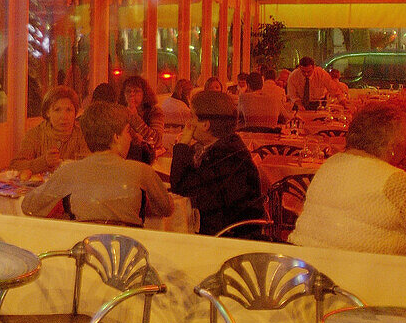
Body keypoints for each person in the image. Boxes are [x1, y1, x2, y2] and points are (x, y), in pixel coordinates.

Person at [289, 101, 406, 255]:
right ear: (392, 146)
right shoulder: (394, 180)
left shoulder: (330, 164)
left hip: (307, 266)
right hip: (358, 278)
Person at [22, 102, 173, 225]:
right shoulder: (142, 171)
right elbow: (167, 209)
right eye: (127, 132)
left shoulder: (68, 172)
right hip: (126, 255)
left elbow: (29, 206)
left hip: (83, 253)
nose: (131, 138)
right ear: (116, 137)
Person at [170, 91, 266, 237]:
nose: (188, 123)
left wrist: (182, 144)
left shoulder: (226, 156)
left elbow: (181, 187)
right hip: (223, 230)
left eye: (192, 117)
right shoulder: (227, 145)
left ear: (205, 124)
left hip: (231, 238)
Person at [9, 86, 87, 174]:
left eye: (69, 110)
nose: (64, 116)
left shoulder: (81, 135)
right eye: (57, 110)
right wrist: (43, 162)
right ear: (47, 112)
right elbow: (15, 166)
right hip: (40, 187)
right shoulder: (36, 134)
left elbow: (90, 166)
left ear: (75, 113)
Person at [118, 75, 163, 163]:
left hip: (147, 159)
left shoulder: (154, 111)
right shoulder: (120, 111)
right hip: (125, 159)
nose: (132, 95)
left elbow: (156, 140)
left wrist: (135, 117)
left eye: (136, 91)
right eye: (128, 91)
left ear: (144, 94)